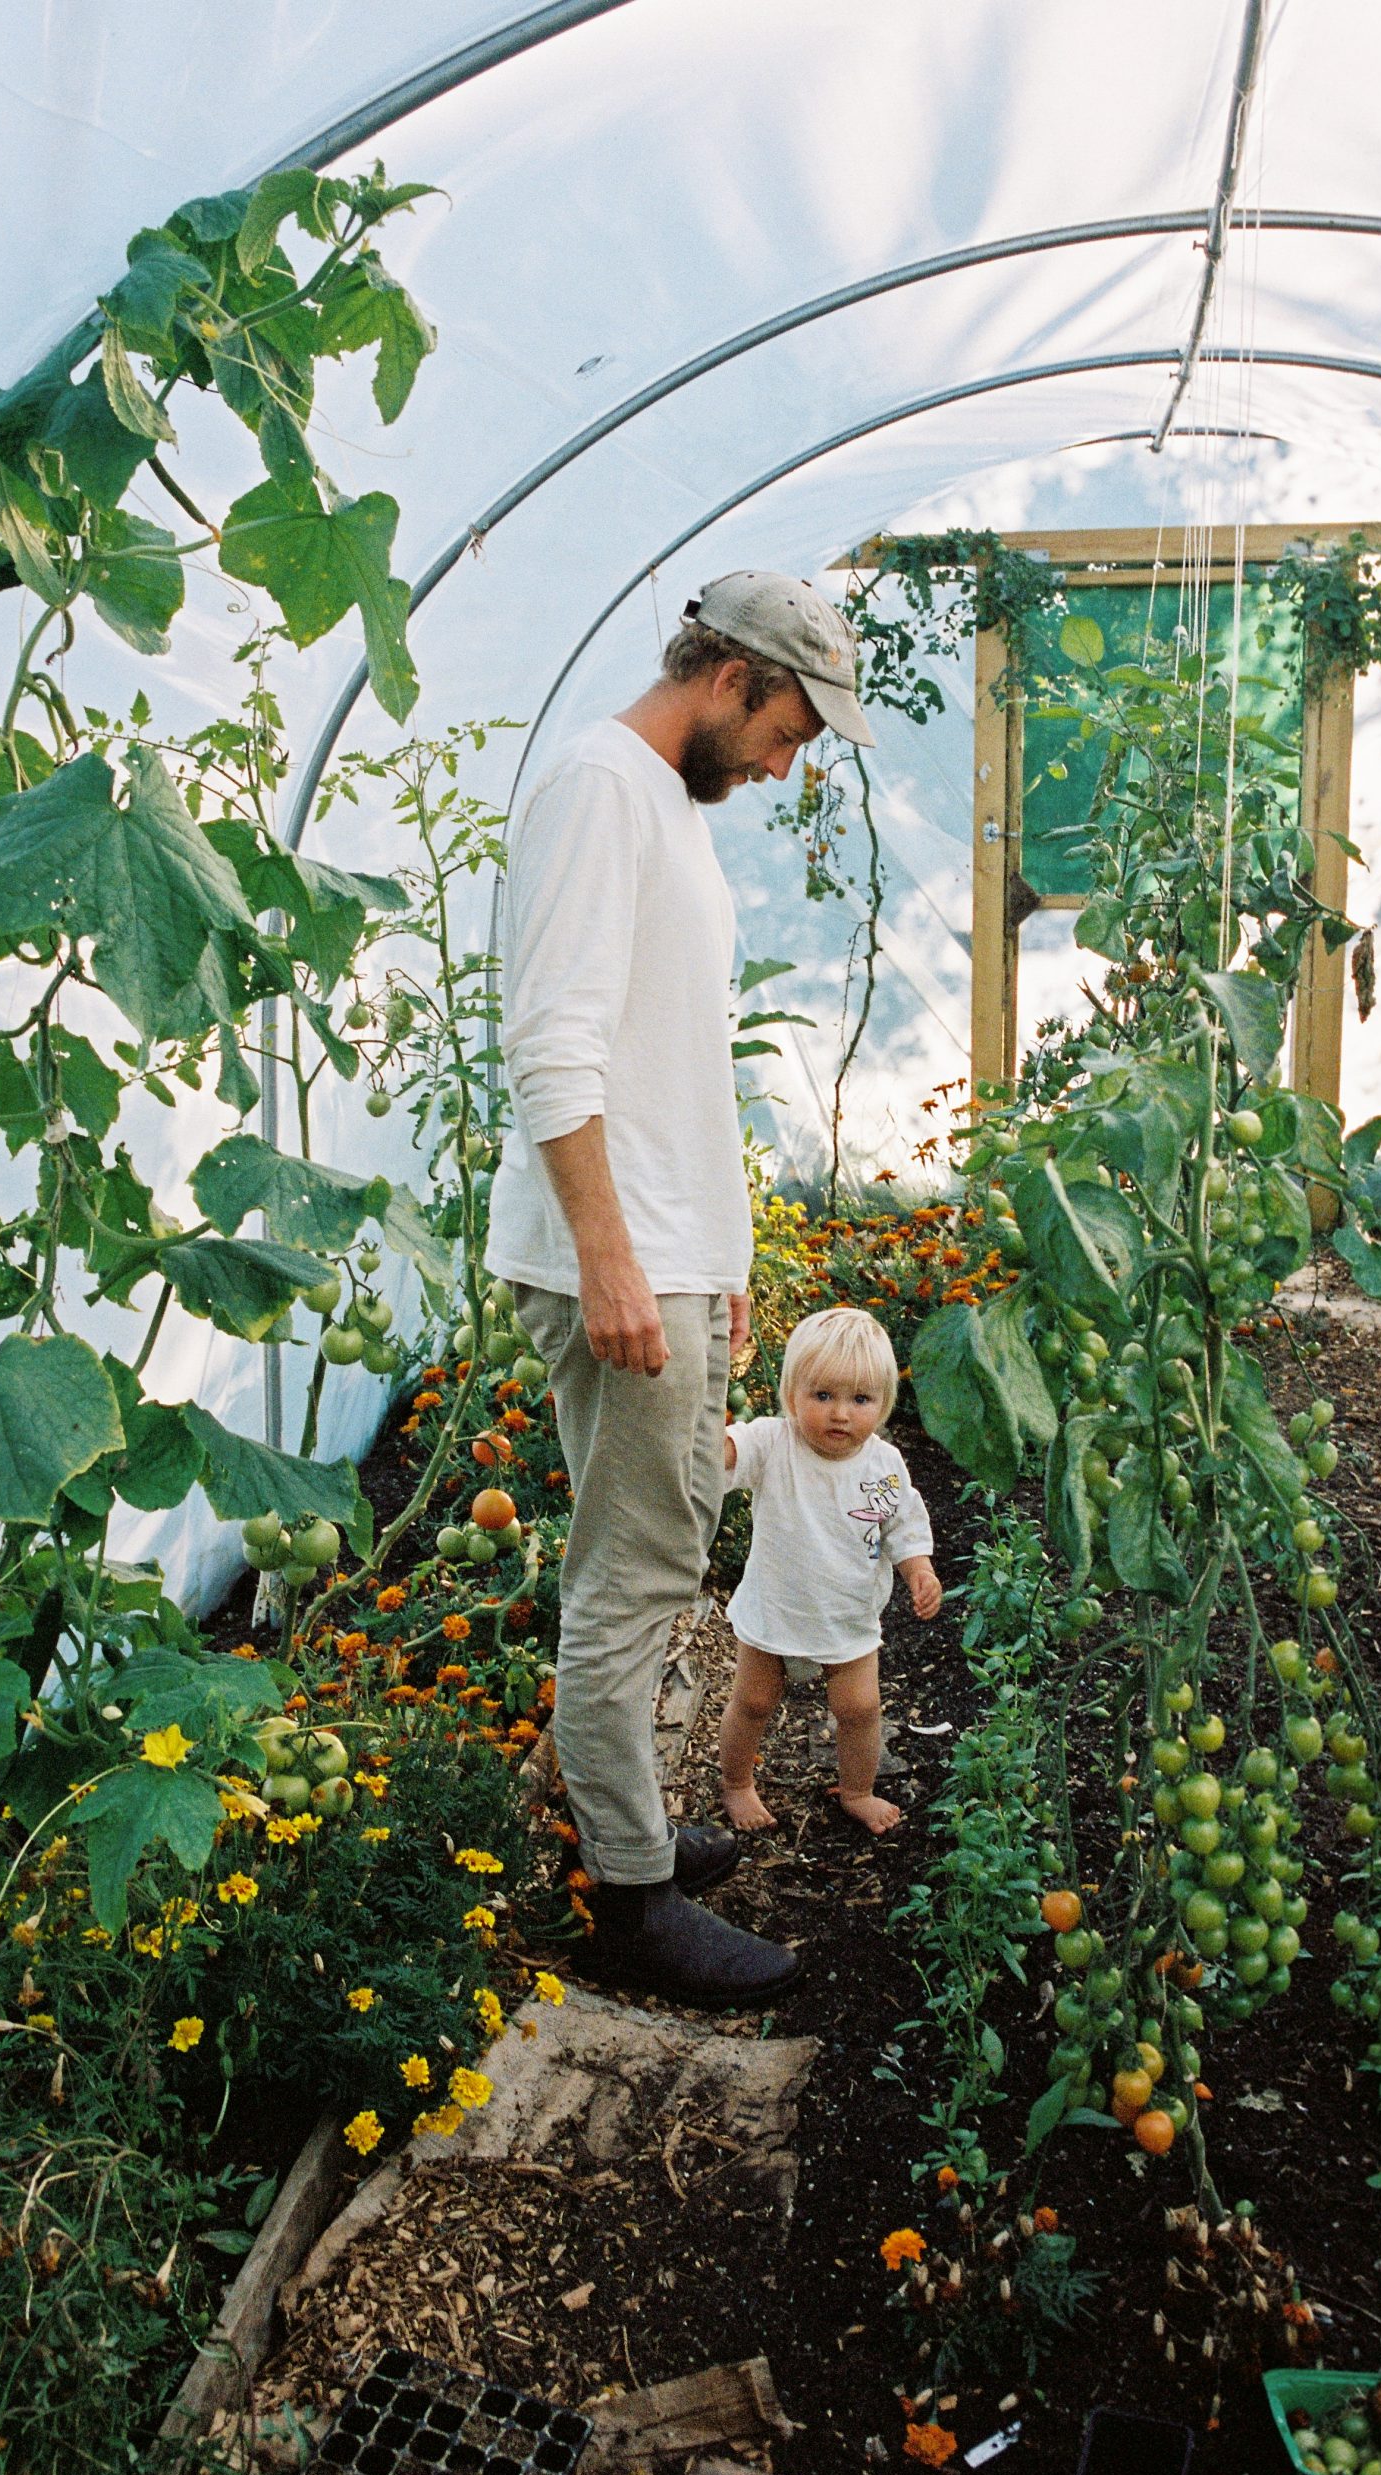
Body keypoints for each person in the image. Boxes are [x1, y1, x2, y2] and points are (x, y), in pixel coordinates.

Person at [488, 571, 875, 2008]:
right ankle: (629, 1904)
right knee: (636, 1577)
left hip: (665, 1256)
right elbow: (555, 1049)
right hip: (620, 1257)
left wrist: (714, 1276)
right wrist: (613, 1261)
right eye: (788, 731)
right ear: (729, 678)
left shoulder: (659, 800)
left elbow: (664, 1069)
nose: (790, 764)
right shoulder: (598, 785)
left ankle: (622, 1825)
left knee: (649, 1559)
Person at [718, 1307, 942, 1836]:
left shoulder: (883, 1466)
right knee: (752, 1701)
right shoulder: (775, 1443)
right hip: (776, 1607)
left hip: (846, 1615)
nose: (841, 1414)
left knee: (861, 1709)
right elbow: (731, 1451)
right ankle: (735, 1782)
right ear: (791, 1393)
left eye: (860, 1400)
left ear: (884, 1404)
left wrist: (919, 1569)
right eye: (822, 1396)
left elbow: (901, 1525)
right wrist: (714, 1435)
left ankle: (858, 1790)